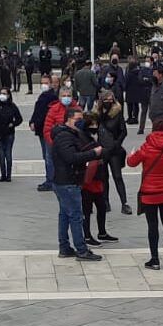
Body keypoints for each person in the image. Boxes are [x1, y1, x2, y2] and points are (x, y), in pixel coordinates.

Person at [50, 104, 105, 261]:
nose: (82, 122)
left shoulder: (71, 134)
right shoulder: (65, 136)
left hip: (65, 180)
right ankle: (81, 250)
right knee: (75, 215)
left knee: (65, 215)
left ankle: (65, 247)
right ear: (69, 120)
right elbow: (71, 158)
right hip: (67, 181)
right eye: (78, 119)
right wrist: (93, 153)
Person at [128, 119, 163, 270]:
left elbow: (131, 162)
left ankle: (155, 259)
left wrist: (131, 154)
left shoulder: (147, 146)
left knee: (153, 226)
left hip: (149, 192)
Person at [79, 113, 114, 245]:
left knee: (101, 206)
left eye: (96, 124)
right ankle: (87, 235)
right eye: (92, 124)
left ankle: (102, 232)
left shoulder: (98, 135)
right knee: (87, 209)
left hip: (99, 176)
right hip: (89, 177)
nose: (95, 126)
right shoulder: (83, 137)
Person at [95, 89, 131, 213]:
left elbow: (123, 131)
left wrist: (117, 143)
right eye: (106, 100)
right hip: (102, 149)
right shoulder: (98, 114)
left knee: (117, 176)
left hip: (114, 150)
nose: (109, 102)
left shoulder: (117, 113)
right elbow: (93, 129)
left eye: (111, 100)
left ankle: (124, 203)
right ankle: (105, 202)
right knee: (103, 177)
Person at [31, 76, 58, 191]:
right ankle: (50, 179)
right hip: (42, 130)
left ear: (51, 84)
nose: (44, 85)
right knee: (47, 156)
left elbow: (43, 114)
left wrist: (35, 123)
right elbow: (37, 111)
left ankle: (51, 181)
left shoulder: (51, 97)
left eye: (46, 83)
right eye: (42, 83)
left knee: (49, 157)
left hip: (47, 130)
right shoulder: (44, 96)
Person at [0, 86, 23, 183]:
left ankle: (9, 175)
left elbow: (19, 119)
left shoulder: (12, 106)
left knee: (8, 155)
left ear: (9, 95)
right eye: (1, 93)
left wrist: (13, 124)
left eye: (4, 93)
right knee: (1, 155)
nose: (2, 95)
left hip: (9, 134)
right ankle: (3, 175)